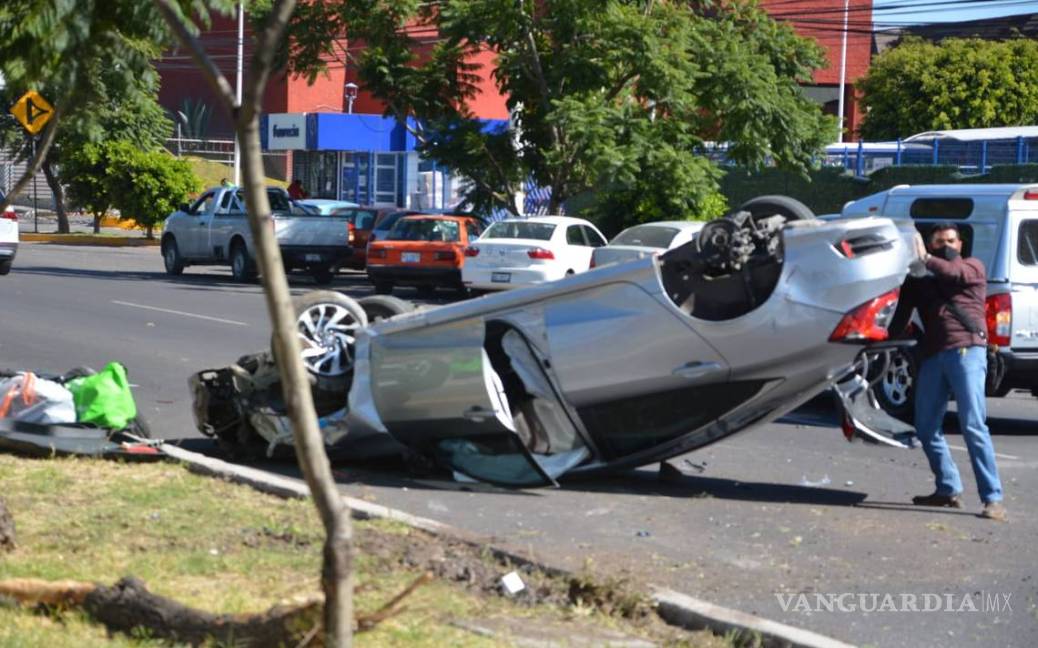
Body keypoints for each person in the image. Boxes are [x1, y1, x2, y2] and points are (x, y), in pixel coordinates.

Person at [888, 223, 1006, 521]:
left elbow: (953, 273)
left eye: (951, 241)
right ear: (929, 244)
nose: (947, 246)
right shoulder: (919, 280)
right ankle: (948, 488)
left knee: (973, 426)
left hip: (967, 350)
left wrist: (926, 258)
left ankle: (993, 498)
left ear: (961, 244)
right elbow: (900, 316)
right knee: (926, 427)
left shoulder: (972, 267)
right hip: (933, 355)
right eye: (939, 242)